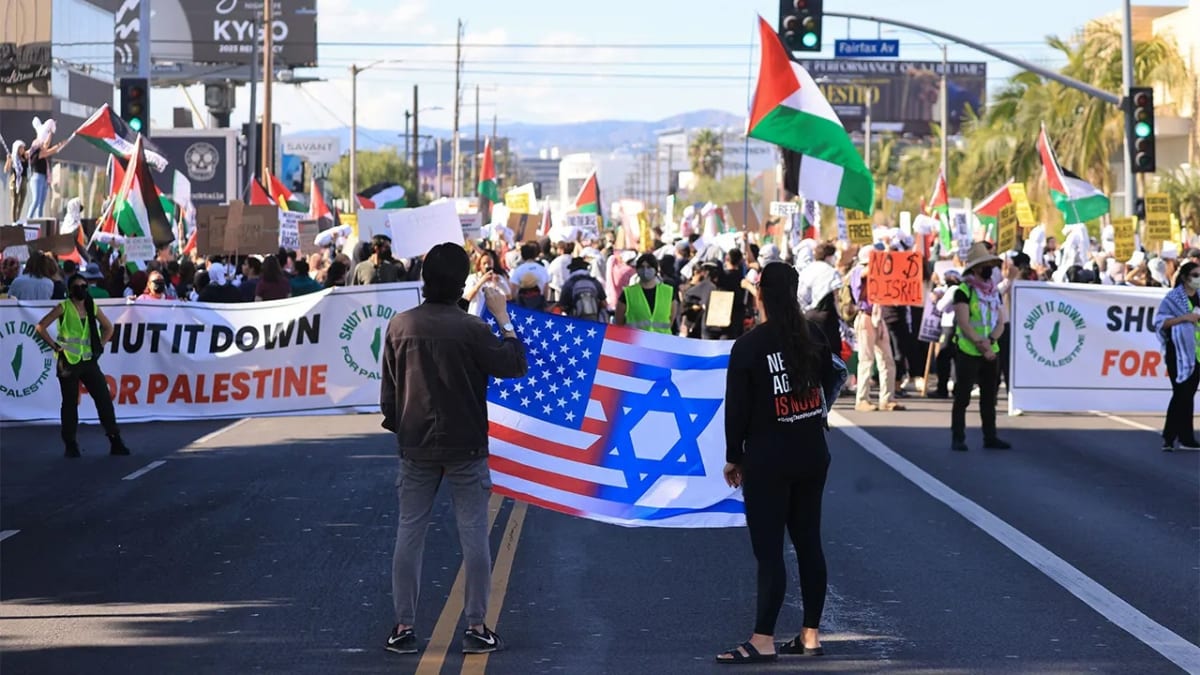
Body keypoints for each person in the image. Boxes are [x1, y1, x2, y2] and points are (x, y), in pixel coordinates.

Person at [380, 242, 528, 656]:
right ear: (462, 282)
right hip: (466, 445)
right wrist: (504, 319)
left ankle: (404, 625)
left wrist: (403, 430)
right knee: (474, 536)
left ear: (424, 279)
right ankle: (477, 625)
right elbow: (514, 364)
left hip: (416, 443)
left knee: (409, 531)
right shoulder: (473, 329)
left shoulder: (399, 326)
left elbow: (389, 397)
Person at [718, 262, 842, 664]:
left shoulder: (750, 346)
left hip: (769, 459)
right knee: (809, 543)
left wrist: (733, 457)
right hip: (811, 453)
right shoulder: (814, 335)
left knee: (769, 551)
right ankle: (810, 635)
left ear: (759, 296)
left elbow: (736, 409)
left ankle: (763, 639)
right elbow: (831, 381)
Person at [34, 273, 132, 457]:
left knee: (103, 398)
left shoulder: (91, 306)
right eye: (78, 287)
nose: (82, 290)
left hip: (88, 361)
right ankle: (70, 444)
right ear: (71, 290)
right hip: (68, 362)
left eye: (84, 286)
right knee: (70, 404)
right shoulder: (63, 307)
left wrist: (100, 345)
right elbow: (40, 327)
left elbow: (109, 328)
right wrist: (56, 347)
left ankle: (115, 439)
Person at [950, 243, 1011, 452]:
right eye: (985, 265)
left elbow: (1000, 321)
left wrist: (992, 342)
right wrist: (981, 343)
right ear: (975, 268)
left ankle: (990, 436)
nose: (989, 269)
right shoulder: (963, 291)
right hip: (969, 350)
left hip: (990, 351)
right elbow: (964, 322)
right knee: (963, 396)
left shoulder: (994, 292)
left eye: (990, 265)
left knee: (989, 397)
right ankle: (958, 437)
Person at [848, 246, 904, 412]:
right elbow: (865, 274)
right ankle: (862, 399)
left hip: (879, 317)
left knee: (887, 359)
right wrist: (879, 262)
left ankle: (887, 398)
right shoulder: (858, 271)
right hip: (865, 316)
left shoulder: (880, 272)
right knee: (866, 360)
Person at [1152, 261, 1200, 451]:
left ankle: (1185, 437)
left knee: (1188, 395)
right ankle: (1169, 437)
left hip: (1195, 353)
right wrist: (1184, 318)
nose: (1198, 279)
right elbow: (1160, 322)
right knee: (1180, 393)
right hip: (1178, 353)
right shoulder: (1173, 298)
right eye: (1195, 275)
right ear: (1185, 277)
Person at [615, 253, 677, 334]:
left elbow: (671, 318)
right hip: (636, 342)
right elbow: (619, 321)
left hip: (662, 342)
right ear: (637, 270)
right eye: (642, 267)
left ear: (655, 270)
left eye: (649, 267)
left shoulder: (668, 292)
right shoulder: (628, 293)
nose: (645, 270)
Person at [26, 119, 67, 219]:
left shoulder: (41, 152)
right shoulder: (37, 154)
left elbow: (47, 144)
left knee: (41, 203)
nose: (44, 145)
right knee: (36, 201)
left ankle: (39, 220)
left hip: (43, 178)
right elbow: (50, 150)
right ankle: (28, 220)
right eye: (42, 145)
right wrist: (60, 144)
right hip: (37, 178)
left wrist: (50, 132)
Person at [558, 256, 607, 322]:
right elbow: (604, 303)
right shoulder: (594, 282)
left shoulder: (569, 284)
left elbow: (562, 306)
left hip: (575, 322)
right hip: (594, 321)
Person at [5, 139, 28, 221]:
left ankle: (18, 219)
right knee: (14, 201)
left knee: (21, 202)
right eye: (21, 148)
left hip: (24, 180)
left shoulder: (25, 157)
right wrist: (8, 160)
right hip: (15, 181)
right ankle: (14, 221)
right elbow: (6, 170)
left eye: (23, 148)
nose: (22, 150)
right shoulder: (13, 158)